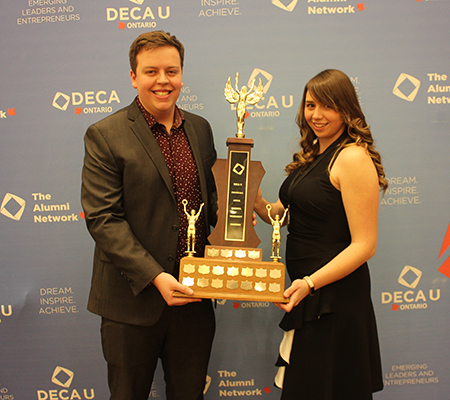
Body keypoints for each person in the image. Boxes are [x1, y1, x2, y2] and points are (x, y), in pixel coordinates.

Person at [81, 31, 217, 400]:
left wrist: (238, 220)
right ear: (133, 77)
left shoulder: (201, 130)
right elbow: (103, 219)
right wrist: (156, 276)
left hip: (194, 300)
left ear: (182, 75)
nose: (162, 81)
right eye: (151, 71)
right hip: (131, 302)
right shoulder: (105, 135)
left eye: (171, 71)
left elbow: (209, 204)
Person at [254, 69, 387, 399]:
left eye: (327, 106)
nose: (316, 114)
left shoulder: (352, 157)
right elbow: (280, 215)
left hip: (334, 297)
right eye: (310, 105)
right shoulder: (312, 157)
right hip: (307, 293)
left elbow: (364, 245)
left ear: (345, 109)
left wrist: (311, 282)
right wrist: (247, 197)